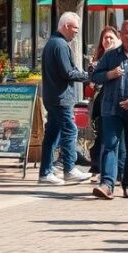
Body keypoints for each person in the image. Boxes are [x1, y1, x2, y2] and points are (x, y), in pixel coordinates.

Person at [91, 18, 128, 199]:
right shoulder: (110, 56)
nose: (125, 36)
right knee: (110, 145)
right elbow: (95, 76)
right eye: (123, 32)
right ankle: (107, 184)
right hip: (111, 109)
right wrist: (110, 74)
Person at [38, 12, 92, 185]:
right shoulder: (60, 44)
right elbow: (67, 72)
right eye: (75, 28)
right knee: (70, 130)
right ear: (66, 26)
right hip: (61, 97)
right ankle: (69, 168)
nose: (77, 32)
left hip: (53, 96)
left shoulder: (54, 43)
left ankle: (46, 172)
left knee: (52, 134)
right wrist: (88, 75)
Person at [88, 26, 122, 178]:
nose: (107, 40)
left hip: (116, 102)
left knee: (113, 138)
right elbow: (92, 80)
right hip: (98, 101)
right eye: (105, 38)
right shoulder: (97, 57)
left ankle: (117, 171)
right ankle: (98, 167)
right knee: (100, 134)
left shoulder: (119, 56)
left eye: (111, 37)